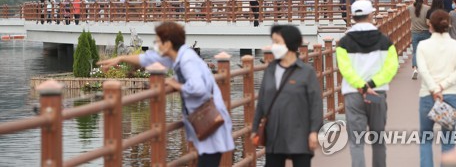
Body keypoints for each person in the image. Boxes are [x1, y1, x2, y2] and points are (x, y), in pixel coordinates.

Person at [97, 22, 234, 167]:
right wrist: (121, 58)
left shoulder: (187, 60)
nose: (156, 44)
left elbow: (199, 88)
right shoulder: (176, 57)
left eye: (157, 41)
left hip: (211, 126)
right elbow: (146, 59)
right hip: (207, 125)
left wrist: (177, 85)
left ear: (167, 44)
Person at [336, 0, 399, 167]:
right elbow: (391, 67)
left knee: (356, 142)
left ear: (353, 16)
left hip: (353, 93)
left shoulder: (343, 42)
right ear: (371, 15)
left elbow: (345, 69)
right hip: (377, 93)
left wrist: (361, 86)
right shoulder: (385, 41)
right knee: (378, 139)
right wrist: (371, 84)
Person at [251, 25, 322, 167]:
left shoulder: (306, 72)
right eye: (273, 42)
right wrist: (254, 129)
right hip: (274, 134)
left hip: (300, 133)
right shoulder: (270, 70)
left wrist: (314, 131)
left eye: (277, 42)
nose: (274, 46)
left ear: (289, 43)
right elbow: (262, 101)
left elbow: (316, 104)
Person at [417, 10, 456, 167]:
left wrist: (434, 88)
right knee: (448, 140)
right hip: (449, 95)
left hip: (428, 95)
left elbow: (423, 70)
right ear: (448, 25)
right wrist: (442, 86)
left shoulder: (423, 45)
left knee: (425, 138)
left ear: (430, 25)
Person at [409, 0, 431, 80]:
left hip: (415, 32)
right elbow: (428, 21)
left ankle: (415, 69)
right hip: (426, 32)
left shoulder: (410, 8)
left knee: (415, 52)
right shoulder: (427, 8)